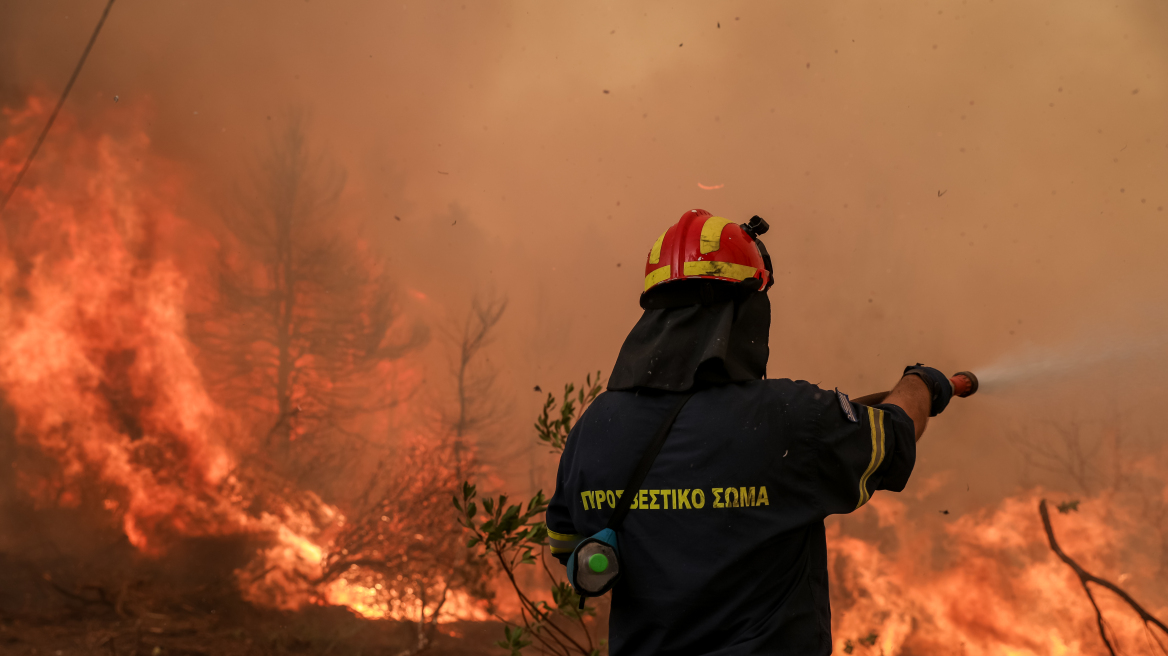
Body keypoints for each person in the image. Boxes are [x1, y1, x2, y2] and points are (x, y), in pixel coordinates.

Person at [545, 209, 953, 655]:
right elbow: (894, 435)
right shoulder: (792, 418)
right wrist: (922, 383)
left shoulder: (594, 428)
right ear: (745, 312)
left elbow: (567, 544)